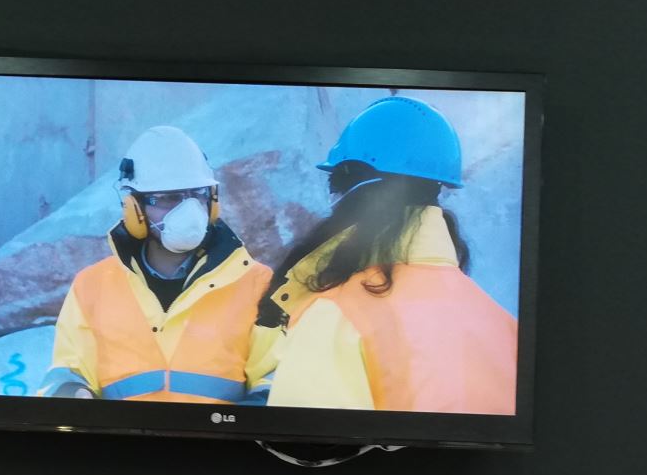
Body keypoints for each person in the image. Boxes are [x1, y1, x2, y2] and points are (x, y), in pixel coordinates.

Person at [259, 97, 517, 412]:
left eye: (337, 182)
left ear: (359, 185)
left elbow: (307, 437)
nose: (334, 198)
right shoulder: (501, 324)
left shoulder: (338, 316)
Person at [40, 126, 273, 404]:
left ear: (212, 201)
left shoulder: (257, 284)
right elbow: (66, 375)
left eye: (198, 194)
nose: (189, 210)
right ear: (134, 209)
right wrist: (75, 396)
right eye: (168, 198)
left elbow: (276, 381)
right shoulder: (92, 286)